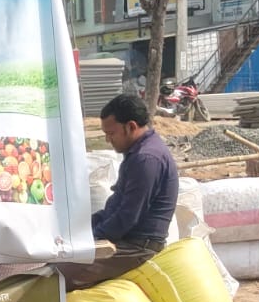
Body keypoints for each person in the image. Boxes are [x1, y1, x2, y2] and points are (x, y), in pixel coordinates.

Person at [59, 94, 179, 291]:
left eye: (111, 133)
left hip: (138, 248)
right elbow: (115, 210)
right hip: (127, 240)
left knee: (58, 274)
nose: (108, 140)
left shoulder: (146, 159)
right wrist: (78, 229)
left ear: (130, 127)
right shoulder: (139, 154)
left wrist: (89, 238)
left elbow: (126, 218)